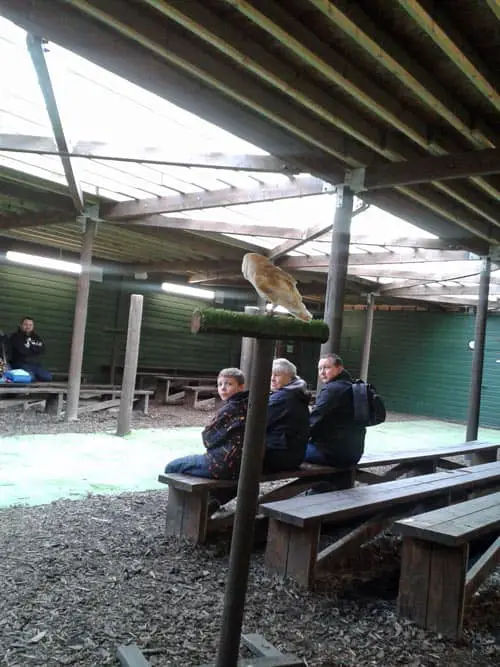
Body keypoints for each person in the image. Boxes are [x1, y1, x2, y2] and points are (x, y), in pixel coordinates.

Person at [165, 367, 249, 481]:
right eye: (220, 384)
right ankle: (213, 499)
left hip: (223, 464)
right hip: (244, 464)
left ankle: (185, 498)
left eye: (229, 384)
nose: (223, 388)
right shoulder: (248, 404)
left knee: (172, 466)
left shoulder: (231, 409)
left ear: (241, 386)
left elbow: (208, 440)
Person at [305, 353, 365, 469]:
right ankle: (322, 486)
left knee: (288, 452)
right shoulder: (352, 385)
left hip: (333, 453)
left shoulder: (333, 390)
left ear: (340, 368)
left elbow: (314, 420)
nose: (322, 372)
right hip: (354, 452)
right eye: (320, 368)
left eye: (327, 367)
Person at [263, 358, 309, 472]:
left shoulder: (283, 397)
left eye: (277, 375)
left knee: (234, 460)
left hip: (280, 456)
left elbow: (257, 422)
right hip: (294, 455)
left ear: (290, 377)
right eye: (271, 374)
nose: (272, 378)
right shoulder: (297, 393)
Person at [8, 317, 52, 382]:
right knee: (31, 378)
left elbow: (42, 349)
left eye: (30, 325)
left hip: (35, 365)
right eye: (25, 324)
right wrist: (34, 348)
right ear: (20, 325)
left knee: (48, 377)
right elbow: (23, 350)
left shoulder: (36, 337)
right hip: (20, 364)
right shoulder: (15, 337)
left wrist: (30, 347)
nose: (28, 327)